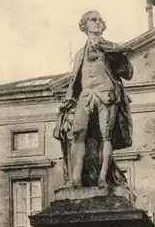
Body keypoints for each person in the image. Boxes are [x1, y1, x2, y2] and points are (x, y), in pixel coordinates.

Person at [54, 10, 134, 188]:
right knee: (77, 133)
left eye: (100, 20)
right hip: (86, 95)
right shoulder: (79, 54)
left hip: (107, 95)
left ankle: (103, 179)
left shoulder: (112, 47)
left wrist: (114, 56)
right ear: (84, 26)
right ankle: (75, 180)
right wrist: (67, 99)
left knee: (107, 136)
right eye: (93, 20)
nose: (97, 23)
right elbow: (74, 79)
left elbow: (128, 73)